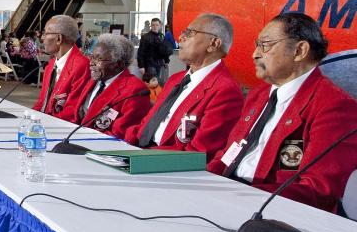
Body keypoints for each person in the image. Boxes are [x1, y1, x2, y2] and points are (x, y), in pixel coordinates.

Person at [207, 12, 357, 212]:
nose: (255, 54)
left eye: (265, 45)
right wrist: (205, 182)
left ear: (299, 50)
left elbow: (317, 189)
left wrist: (242, 198)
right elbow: (227, 154)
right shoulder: (258, 94)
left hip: (271, 209)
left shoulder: (334, 106)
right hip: (226, 194)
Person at [126, 13, 244, 160]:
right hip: (140, 151)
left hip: (165, 163)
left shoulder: (225, 90)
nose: (181, 38)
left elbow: (198, 151)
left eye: (189, 33)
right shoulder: (176, 79)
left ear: (213, 44)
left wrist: (141, 156)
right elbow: (147, 124)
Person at [61, 35, 151, 138]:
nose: (91, 63)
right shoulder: (94, 80)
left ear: (118, 64)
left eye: (98, 59)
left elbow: (121, 133)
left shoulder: (135, 90)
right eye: (91, 57)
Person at [36, 15, 90, 118]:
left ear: (59, 38)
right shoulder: (51, 64)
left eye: (45, 33)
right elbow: (42, 103)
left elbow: (71, 112)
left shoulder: (81, 66)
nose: (42, 38)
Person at [137, 17, 171, 84]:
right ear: (151, 26)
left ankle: (157, 94)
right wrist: (141, 66)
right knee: (151, 82)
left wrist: (166, 61)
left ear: (160, 26)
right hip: (150, 64)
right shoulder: (145, 37)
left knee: (159, 83)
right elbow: (141, 52)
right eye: (153, 25)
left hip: (160, 63)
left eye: (156, 25)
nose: (155, 27)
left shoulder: (161, 36)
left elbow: (165, 50)